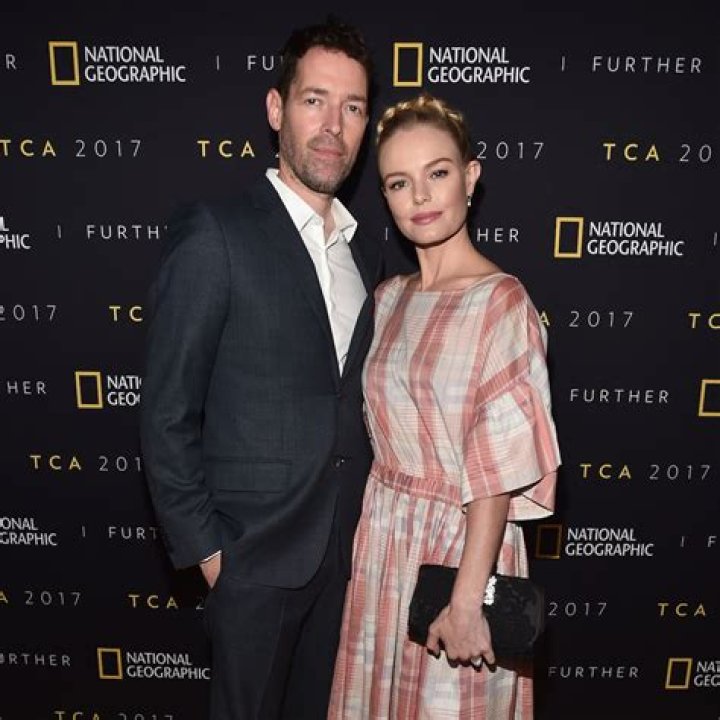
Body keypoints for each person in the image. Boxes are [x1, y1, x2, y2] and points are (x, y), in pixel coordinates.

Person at [139, 17, 383, 720]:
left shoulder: (365, 256)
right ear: (276, 109)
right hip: (252, 568)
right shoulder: (216, 233)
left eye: (353, 107)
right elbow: (166, 412)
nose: (333, 125)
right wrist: (214, 557)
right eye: (314, 100)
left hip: (346, 565)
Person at [328, 92, 561, 719]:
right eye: (400, 183)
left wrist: (466, 600)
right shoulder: (387, 298)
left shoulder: (502, 303)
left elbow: (496, 470)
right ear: (385, 196)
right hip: (384, 543)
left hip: (461, 550)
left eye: (438, 173)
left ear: (471, 176)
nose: (421, 197)